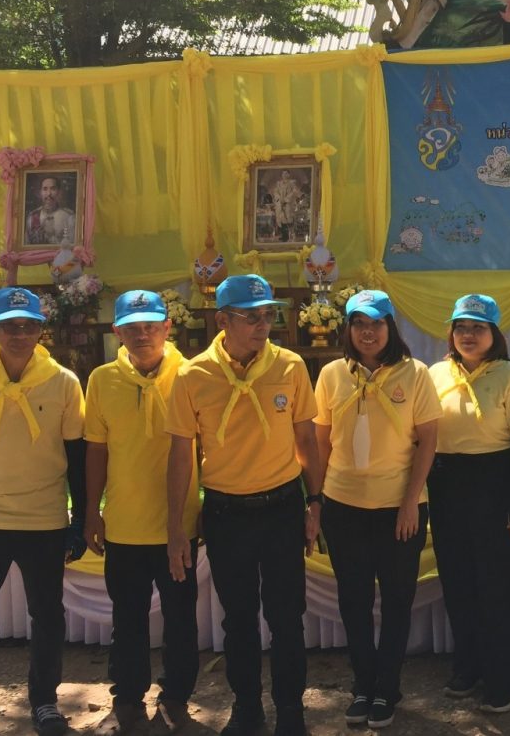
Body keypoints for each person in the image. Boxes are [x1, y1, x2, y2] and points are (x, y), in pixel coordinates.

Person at [165, 274, 321, 736]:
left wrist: (315, 502)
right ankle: (247, 708)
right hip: (226, 513)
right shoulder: (194, 375)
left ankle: (291, 711)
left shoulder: (290, 366)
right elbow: (181, 455)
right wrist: (176, 526)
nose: (262, 325)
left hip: (281, 508)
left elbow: (307, 439)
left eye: (268, 315)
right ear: (222, 321)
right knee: (238, 619)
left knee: (287, 617)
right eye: (250, 317)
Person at [0, 286, 87, 736]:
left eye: (28, 326)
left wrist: (81, 519)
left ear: (41, 330)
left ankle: (44, 702)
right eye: (10, 326)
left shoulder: (64, 382)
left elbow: (77, 456)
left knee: (47, 615)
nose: (19, 335)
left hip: (44, 518)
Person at [313, 289, 441, 730]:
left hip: (398, 509)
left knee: (397, 600)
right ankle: (363, 685)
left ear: (391, 327)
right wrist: (317, 501)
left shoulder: (416, 374)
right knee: (354, 601)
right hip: (343, 506)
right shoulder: (331, 374)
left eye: (376, 323)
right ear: (348, 329)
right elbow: (320, 442)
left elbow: (428, 442)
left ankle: (388, 686)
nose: (368, 332)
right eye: (359, 324)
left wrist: (410, 503)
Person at [84, 290, 202, 736]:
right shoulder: (101, 379)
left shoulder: (192, 374)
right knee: (128, 619)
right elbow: (97, 451)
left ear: (168, 327)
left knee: (181, 619)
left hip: (179, 526)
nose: (143, 334)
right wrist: (92, 511)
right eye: (132, 328)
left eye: (151, 325)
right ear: (116, 331)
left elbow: (207, 447)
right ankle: (129, 697)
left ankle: (176, 696)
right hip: (124, 525)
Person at [427, 294, 510, 713]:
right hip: (447, 488)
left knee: (501, 589)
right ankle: (468, 667)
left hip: (497, 489)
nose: (468, 335)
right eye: (461, 327)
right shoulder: (435, 374)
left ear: (494, 334)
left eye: (478, 328)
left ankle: (504, 677)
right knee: (459, 584)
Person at [25, 176, 76, 246]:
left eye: (53, 189)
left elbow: (73, 247)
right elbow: (26, 246)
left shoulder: (69, 217)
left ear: (59, 192)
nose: (49, 193)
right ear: (40, 192)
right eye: (45, 189)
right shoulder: (32, 217)